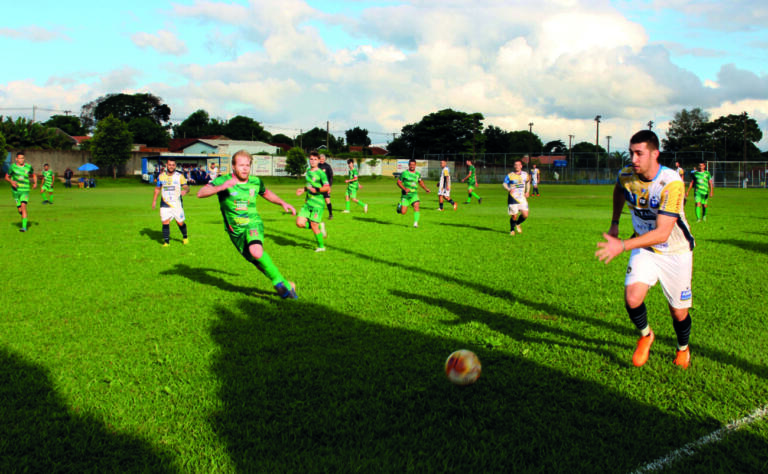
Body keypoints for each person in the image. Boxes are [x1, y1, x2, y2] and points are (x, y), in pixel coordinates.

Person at [595, 130, 694, 370]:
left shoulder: (671, 183)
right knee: (632, 298)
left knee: (678, 313)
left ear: (654, 154)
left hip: (675, 251)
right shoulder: (627, 175)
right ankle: (646, 335)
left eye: (639, 153)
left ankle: (683, 349)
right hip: (644, 247)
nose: (634, 158)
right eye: (631, 153)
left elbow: (661, 233)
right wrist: (615, 222)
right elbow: (619, 188)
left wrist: (622, 245)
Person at [197, 150, 297, 299]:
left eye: (247, 165)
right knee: (258, 261)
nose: (245, 168)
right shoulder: (222, 181)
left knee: (256, 251)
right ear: (233, 167)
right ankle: (287, 285)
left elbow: (266, 193)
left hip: (253, 223)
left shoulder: (255, 181)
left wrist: (282, 202)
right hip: (235, 231)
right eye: (241, 165)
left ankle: (277, 281)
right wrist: (221, 187)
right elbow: (201, 193)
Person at [296, 151, 330, 252]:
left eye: (315, 159)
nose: (313, 161)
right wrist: (303, 189)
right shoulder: (308, 171)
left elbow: (327, 188)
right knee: (299, 223)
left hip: (318, 203)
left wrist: (318, 190)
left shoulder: (321, 173)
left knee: (313, 224)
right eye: (311, 159)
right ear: (309, 160)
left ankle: (321, 246)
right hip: (308, 202)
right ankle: (320, 225)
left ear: (319, 160)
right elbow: (309, 185)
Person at [152, 158, 190, 246]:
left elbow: (186, 187)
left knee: (180, 222)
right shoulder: (161, 176)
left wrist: (185, 191)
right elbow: (157, 189)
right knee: (165, 221)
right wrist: (154, 201)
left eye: (173, 165)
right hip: (165, 203)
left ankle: (185, 237)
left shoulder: (179, 176)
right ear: (166, 165)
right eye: (169, 165)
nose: (171, 166)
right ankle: (166, 242)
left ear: (175, 166)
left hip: (177, 203)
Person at [4, 152, 37, 232]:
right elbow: (6, 177)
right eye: (19, 158)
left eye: (22, 158)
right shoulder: (13, 167)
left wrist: (35, 183)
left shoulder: (28, 167)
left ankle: (24, 227)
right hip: (15, 191)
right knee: (20, 210)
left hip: (25, 190)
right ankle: (23, 217)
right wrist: (11, 182)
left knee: (23, 207)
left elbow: (33, 175)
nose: (21, 160)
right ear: (16, 159)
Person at [396, 158, 431, 228]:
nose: (412, 166)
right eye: (411, 165)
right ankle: (399, 205)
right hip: (405, 196)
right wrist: (404, 188)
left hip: (414, 194)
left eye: (413, 165)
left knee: (417, 206)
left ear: (415, 165)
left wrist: (425, 189)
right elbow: (398, 182)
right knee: (403, 212)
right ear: (408, 165)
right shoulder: (404, 173)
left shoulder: (418, 174)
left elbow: (420, 182)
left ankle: (415, 223)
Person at [503, 160, 530, 236]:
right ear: (514, 166)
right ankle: (512, 230)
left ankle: (517, 223)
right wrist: (508, 189)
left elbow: (528, 182)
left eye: (518, 165)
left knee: (525, 215)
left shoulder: (525, 175)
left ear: (521, 166)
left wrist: (527, 191)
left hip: (522, 197)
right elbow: (504, 184)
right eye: (515, 165)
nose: (517, 166)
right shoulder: (510, 175)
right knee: (514, 215)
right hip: (513, 197)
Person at [318, 153, 334, 220]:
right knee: (317, 201)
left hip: (325, 186)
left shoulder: (327, 166)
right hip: (318, 186)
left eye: (323, 159)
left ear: (325, 159)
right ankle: (315, 215)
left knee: (327, 200)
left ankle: (330, 214)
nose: (321, 160)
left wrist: (329, 186)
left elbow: (331, 177)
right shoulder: (317, 166)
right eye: (320, 159)